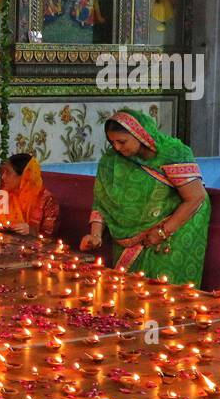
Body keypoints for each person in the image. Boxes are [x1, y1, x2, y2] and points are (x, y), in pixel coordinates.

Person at [81, 108, 210, 285]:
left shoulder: (172, 153)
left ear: (140, 135)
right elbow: (102, 203)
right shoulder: (111, 161)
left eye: (122, 141)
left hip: (175, 229)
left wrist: (163, 231)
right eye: (112, 142)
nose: (117, 148)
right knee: (129, 293)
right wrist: (95, 235)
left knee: (163, 292)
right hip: (127, 238)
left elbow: (195, 197)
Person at [0, 153, 59, 238]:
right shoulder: (2, 195)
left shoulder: (46, 200)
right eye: (3, 172)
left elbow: (50, 237)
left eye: (8, 173)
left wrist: (32, 231)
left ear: (25, 176)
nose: (3, 177)